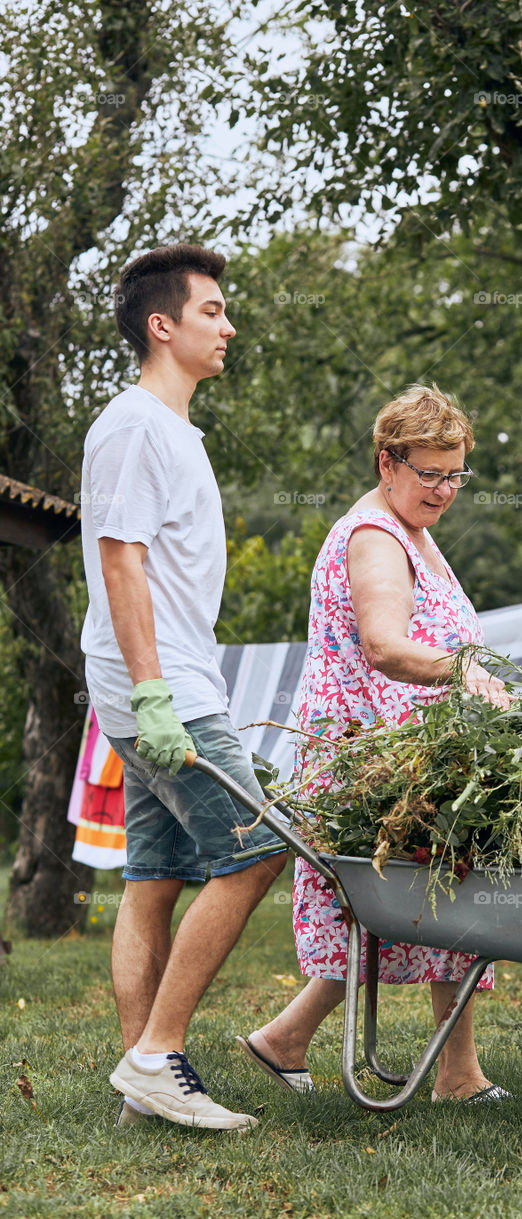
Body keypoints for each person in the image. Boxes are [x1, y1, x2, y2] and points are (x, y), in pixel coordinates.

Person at [237, 385, 511, 1102]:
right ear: (387, 462)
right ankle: (446, 1071)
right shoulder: (375, 538)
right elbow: (385, 647)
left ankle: (297, 1042)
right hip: (369, 756)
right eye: (430, 473)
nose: (445, 489)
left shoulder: (408, 526)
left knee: (420, 906)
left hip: (400, 752)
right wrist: (467, 672)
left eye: (456, 475)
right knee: (414, 904)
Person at [79, 245, 287, 1131]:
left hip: (162, 679)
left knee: (154, 878)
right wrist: (158, 693)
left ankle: (143, 1081)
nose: (228, 325)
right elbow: (120, 562)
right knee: (259, 849)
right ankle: (160, 1056)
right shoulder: (133, 425)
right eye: (212, 311)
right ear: (162, 326)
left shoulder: (170, 428)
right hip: (158, 687)